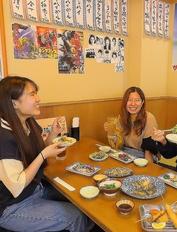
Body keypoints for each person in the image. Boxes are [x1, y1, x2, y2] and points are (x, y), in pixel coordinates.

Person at [0, 76, 94, 231]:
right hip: (13, 207)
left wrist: (52, 135)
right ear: (14, 103)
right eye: (32, 94)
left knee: (84, 200)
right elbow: (17, 185)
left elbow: (34, 152)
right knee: (75, 217)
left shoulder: (27, 121)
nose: (38, 99)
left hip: (36, 189)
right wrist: (44, 155)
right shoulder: (4, 136)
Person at [103, 86, 160, 163]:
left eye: (137, 100)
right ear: (125, 102)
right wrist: (111, 132)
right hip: (126, 152)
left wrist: (148, 170)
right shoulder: (121, 117)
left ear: (142, 102)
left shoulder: (149, 118)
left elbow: (149, 149)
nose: (133, 104)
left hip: (144, 155)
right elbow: (119, 144)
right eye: (129, 100)